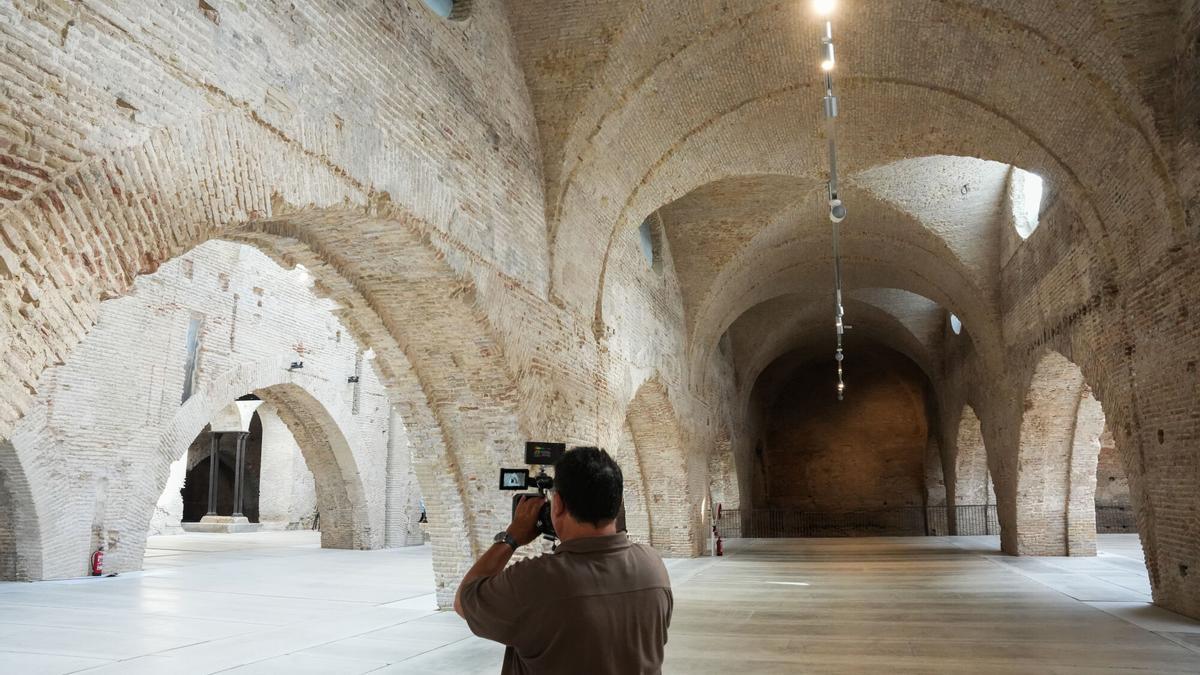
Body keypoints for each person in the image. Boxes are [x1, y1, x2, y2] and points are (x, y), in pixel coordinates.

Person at [455, 446, 673, 674]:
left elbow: (463, 601)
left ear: (557, 504)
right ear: (617, 503)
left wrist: (510, 538)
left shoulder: (536, 581)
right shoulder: (653, 565)